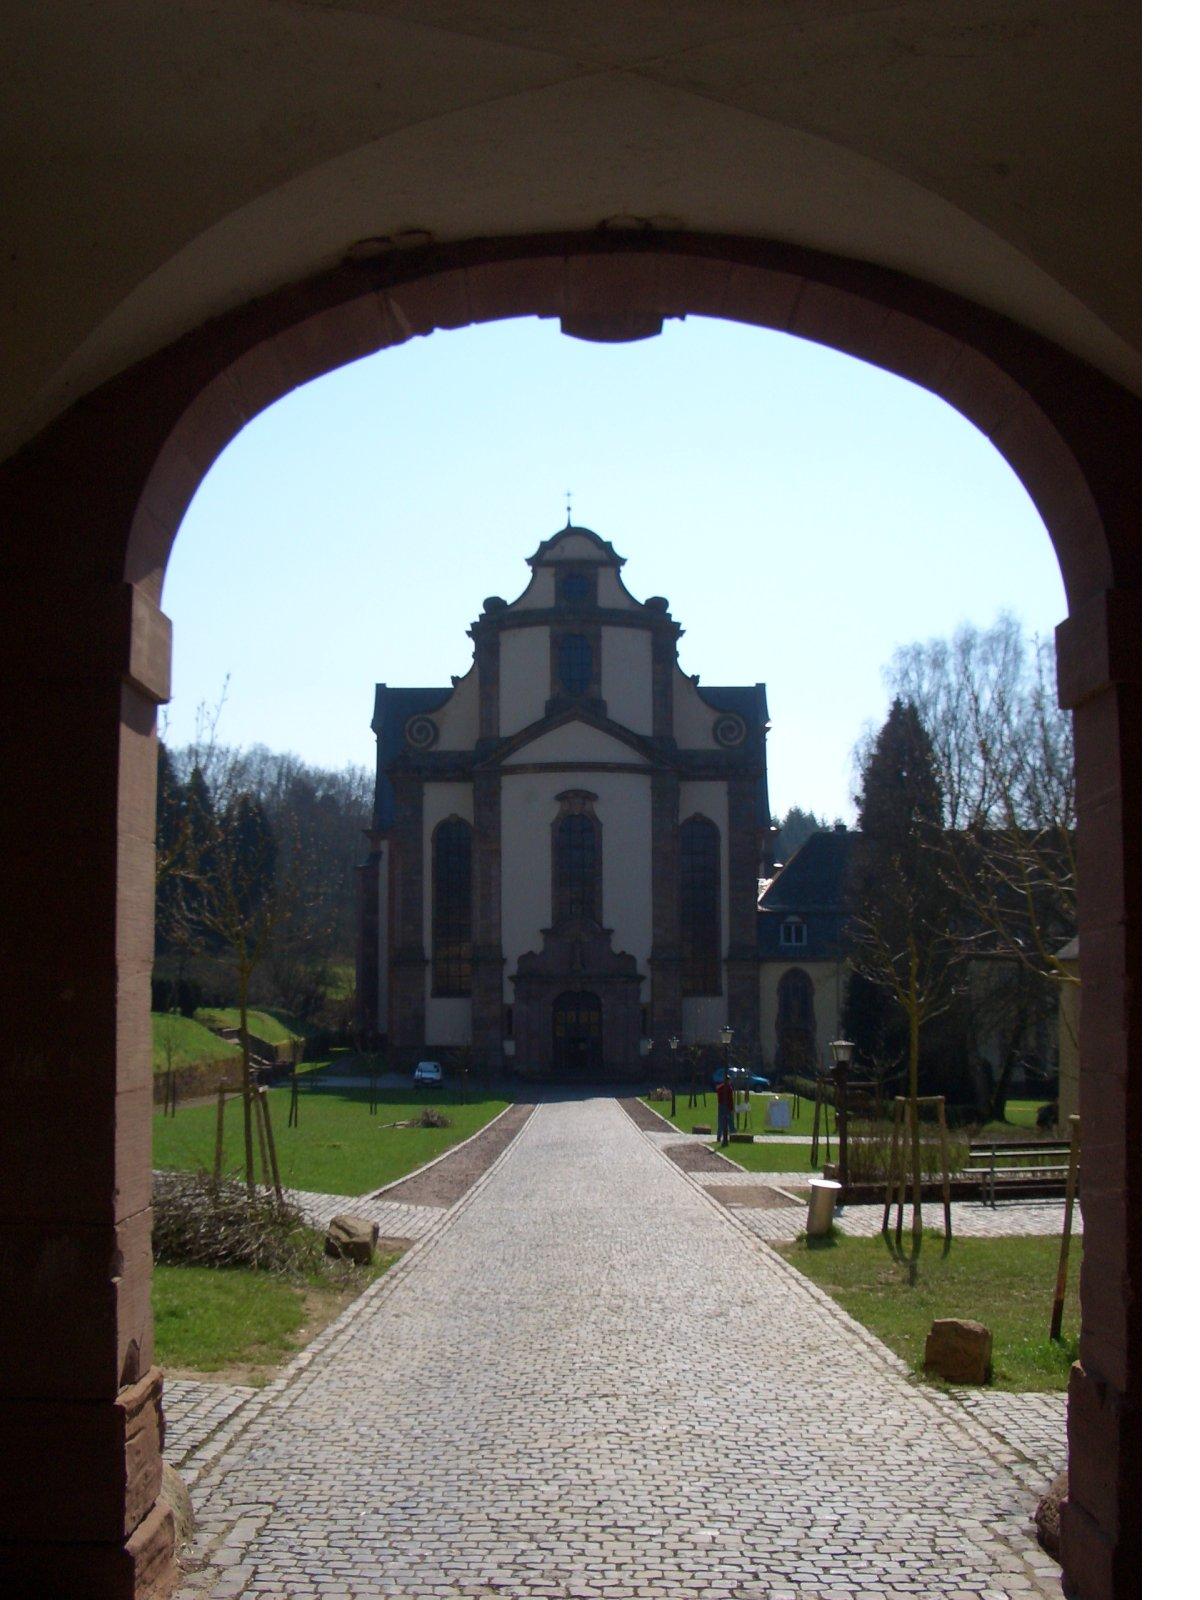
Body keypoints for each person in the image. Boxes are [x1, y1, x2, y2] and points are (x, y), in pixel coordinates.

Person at [716, 1070, 735, 1146]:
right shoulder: (729, 1088)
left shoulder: (720, 1088)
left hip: (721, 1105)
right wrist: (731, 1108)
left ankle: (719, 1136)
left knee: (720, 1121)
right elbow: (730, 1099)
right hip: (727, 1106)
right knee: (730, 1121)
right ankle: (733, 1135)